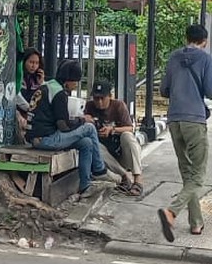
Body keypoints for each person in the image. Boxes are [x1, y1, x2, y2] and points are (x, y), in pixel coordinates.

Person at [158, 23, 212, 241]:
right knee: (198, 177)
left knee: (187, 173)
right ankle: (171, 211)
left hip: (174, 120)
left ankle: (196, 223)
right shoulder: (206, 59)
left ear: (186, 37)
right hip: (195, 120)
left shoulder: (173, 57)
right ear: (205, 41)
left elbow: (164, 90)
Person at [26, 60, 111, 201]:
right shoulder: (59, 93)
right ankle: (99, 170)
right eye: (75, 82)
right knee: (89, 128)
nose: (76, 85)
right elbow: (63, 126)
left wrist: (77, 121)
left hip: (37, 136)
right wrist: (82, 120)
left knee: (86, 143)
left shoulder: (47, 86)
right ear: (67, 81)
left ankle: (85, 186)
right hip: (46, 139)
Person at [85, 82, 142, 194]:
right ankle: (124, 176)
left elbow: (130, 128)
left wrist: (113, 130)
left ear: (110, 96)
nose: (99, 102)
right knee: (91, 143)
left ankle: (138, 179)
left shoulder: (118, 106)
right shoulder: (90, 106)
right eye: (96, 98)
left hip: (120, 150)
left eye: (102, 98)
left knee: (128, 136)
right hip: (106, 157)